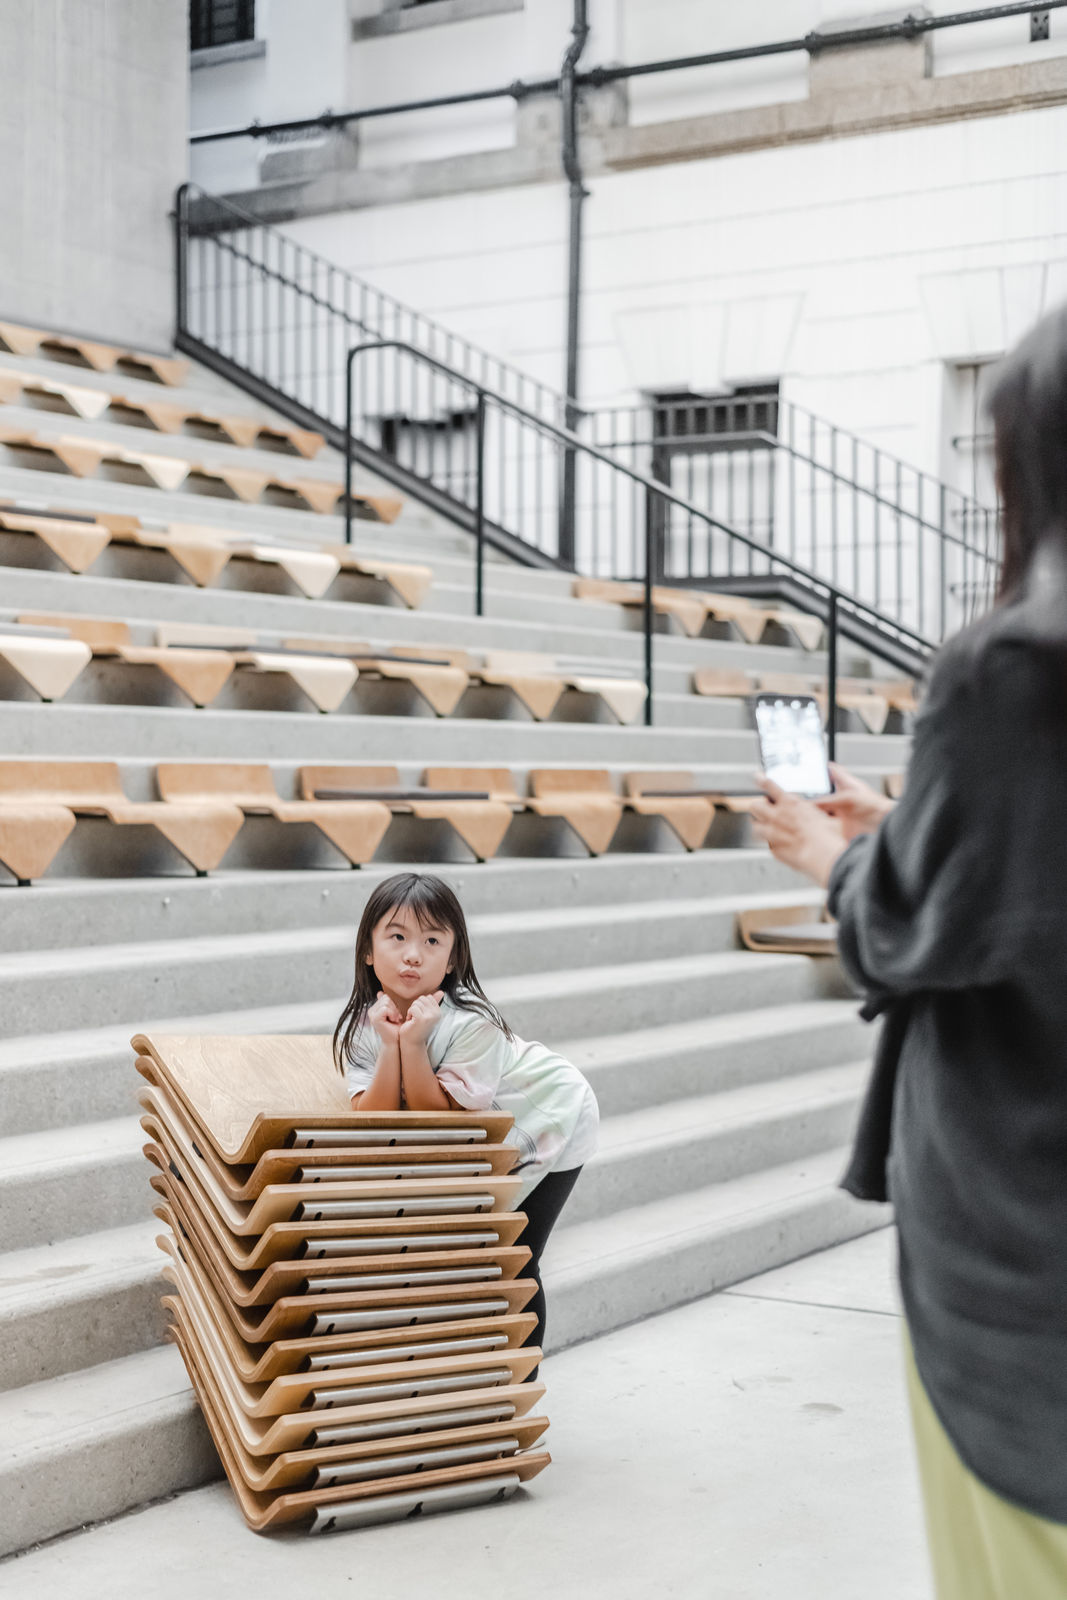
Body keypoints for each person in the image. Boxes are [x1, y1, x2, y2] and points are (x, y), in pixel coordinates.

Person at [749, 302, 1067, 1599]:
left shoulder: (1012, 670)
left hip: (1019, 1253)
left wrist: (830, 857)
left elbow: (894, 937)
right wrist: (915, 827)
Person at [333, 870, 599, 1369]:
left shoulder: (471, 1021)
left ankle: (518, 1393)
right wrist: (394, 1042)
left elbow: (443, 1117)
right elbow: (374, 1114)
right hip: (490, 1131)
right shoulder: (364, 1025)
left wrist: (412, 1042)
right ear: (368, 950)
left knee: (514, 1256)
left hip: (553, 1115)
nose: (414, 953)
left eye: (432, 940)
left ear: (453, 958)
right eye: (397, 937)